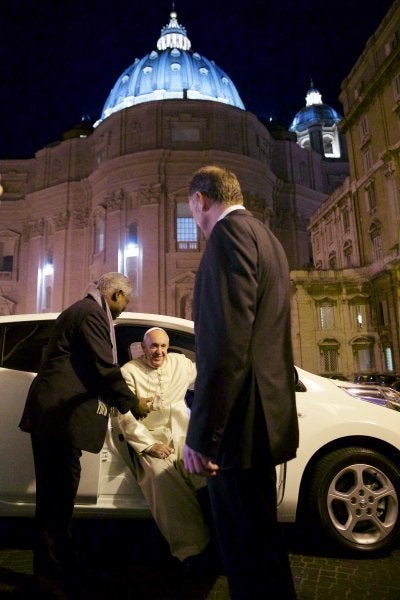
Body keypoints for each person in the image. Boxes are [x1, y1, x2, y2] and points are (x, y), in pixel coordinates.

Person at [183, 166, 299, 599]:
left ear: (200, 201)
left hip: (237, 427)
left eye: (191, 209)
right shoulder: (267, 239)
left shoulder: (227, 238)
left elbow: (225, 345)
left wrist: (203, 435)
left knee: (245, 558)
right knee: (264, 550)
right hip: (262, 421)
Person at [19, 272, 150, 597]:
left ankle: (58, 566)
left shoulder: (81, 310)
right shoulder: (92, 313)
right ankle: (50, 579)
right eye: (123, 305)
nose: (121, 312)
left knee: (58, 495)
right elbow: (104, 367)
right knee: (56, 498)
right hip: (58, 417)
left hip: (56, 415)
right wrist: (133, 403)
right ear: (115, 294)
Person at [117, 327, 212, 569]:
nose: (158, 351)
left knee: (203, 471)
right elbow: (125, 416)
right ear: (143, 347)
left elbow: (209, 372)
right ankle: (191, 549)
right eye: (153, 346)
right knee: (162, 479)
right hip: (150, 437)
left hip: (182, 434)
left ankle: (218, 539)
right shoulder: (130, 371)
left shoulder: (181, 364)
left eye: (163, 346)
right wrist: (149, 446)